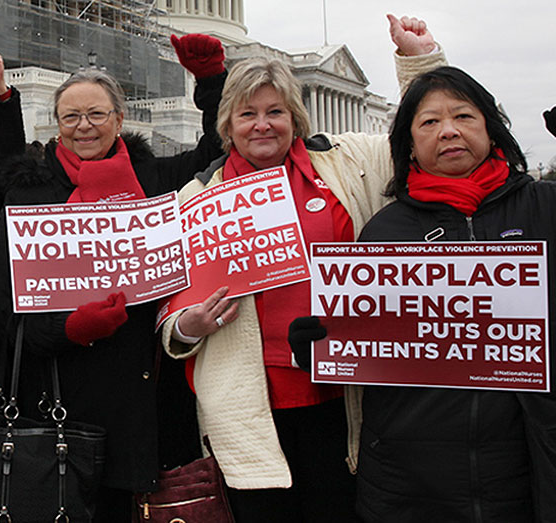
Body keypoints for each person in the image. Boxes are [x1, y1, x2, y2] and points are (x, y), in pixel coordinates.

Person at [158, 16, 448, 522]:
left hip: (344, 393)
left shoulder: (348, 162)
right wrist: (190, 325)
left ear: (296, 116)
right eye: (248, 114)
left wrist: (418, 60)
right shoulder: (196, 197)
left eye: (276, 111)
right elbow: (173, 311)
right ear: (227, 124)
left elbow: (423, 131)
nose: (262, 124)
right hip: (248, 403)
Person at [0, 33, 227, 519]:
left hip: (146, 395)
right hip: (61, 399)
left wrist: (211, 82)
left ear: (119, 118)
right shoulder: (28, 194)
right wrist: (72, 327)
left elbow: (217, 149)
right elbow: (11, 313)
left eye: (96, 115)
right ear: (57, 123)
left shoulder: (157, 179)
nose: (84, 127)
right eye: (71, 117)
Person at [293, 66, 556, 522]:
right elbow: (367, 352)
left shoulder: (545, 208)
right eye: (429, 122)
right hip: (410, 482)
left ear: (491, 129)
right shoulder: (383, 233)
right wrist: (320, 348)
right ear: (409, 144)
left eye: (463, 117)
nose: (449, 131)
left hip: (525, 471)